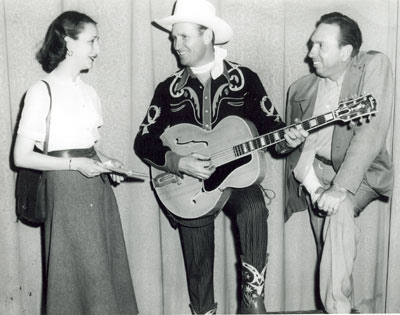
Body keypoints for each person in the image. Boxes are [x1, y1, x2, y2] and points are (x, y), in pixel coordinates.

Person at [134, 0, 306, 314]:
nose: (176, 45)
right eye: (174, 38)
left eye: (184, 37)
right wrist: (178, 161)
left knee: (254, 207)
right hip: (188, 186)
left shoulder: (245, 79)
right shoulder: (167, 90)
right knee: (197, 258)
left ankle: (253, 303)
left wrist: (288, 140)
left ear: (208, 36)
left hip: (238, 179)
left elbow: (273, 129)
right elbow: (143, 142)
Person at [13, 11, 138, 315]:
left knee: (105, 275)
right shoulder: (40, 92)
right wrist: (75, 166)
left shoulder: (90, 92)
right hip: (67, 192)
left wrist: (109, 163)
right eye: (92, 41)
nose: (97, 49)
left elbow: (90, 147)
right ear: (68, 42)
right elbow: (21, 156)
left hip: (97, 191)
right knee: (78, 280)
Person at [284, 12, 394, 314]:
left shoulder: (372, 65)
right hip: (311, 174)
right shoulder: (302, 88)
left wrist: (340, 187)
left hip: (358, 174)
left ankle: (338, 312)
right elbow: (287, 144)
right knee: (332, 254)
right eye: (311, 45)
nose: (310, 53)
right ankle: (344, 308)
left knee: (340, 211)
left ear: (346, 52)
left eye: (320, 45)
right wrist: (289, 141)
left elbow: (370, 133)